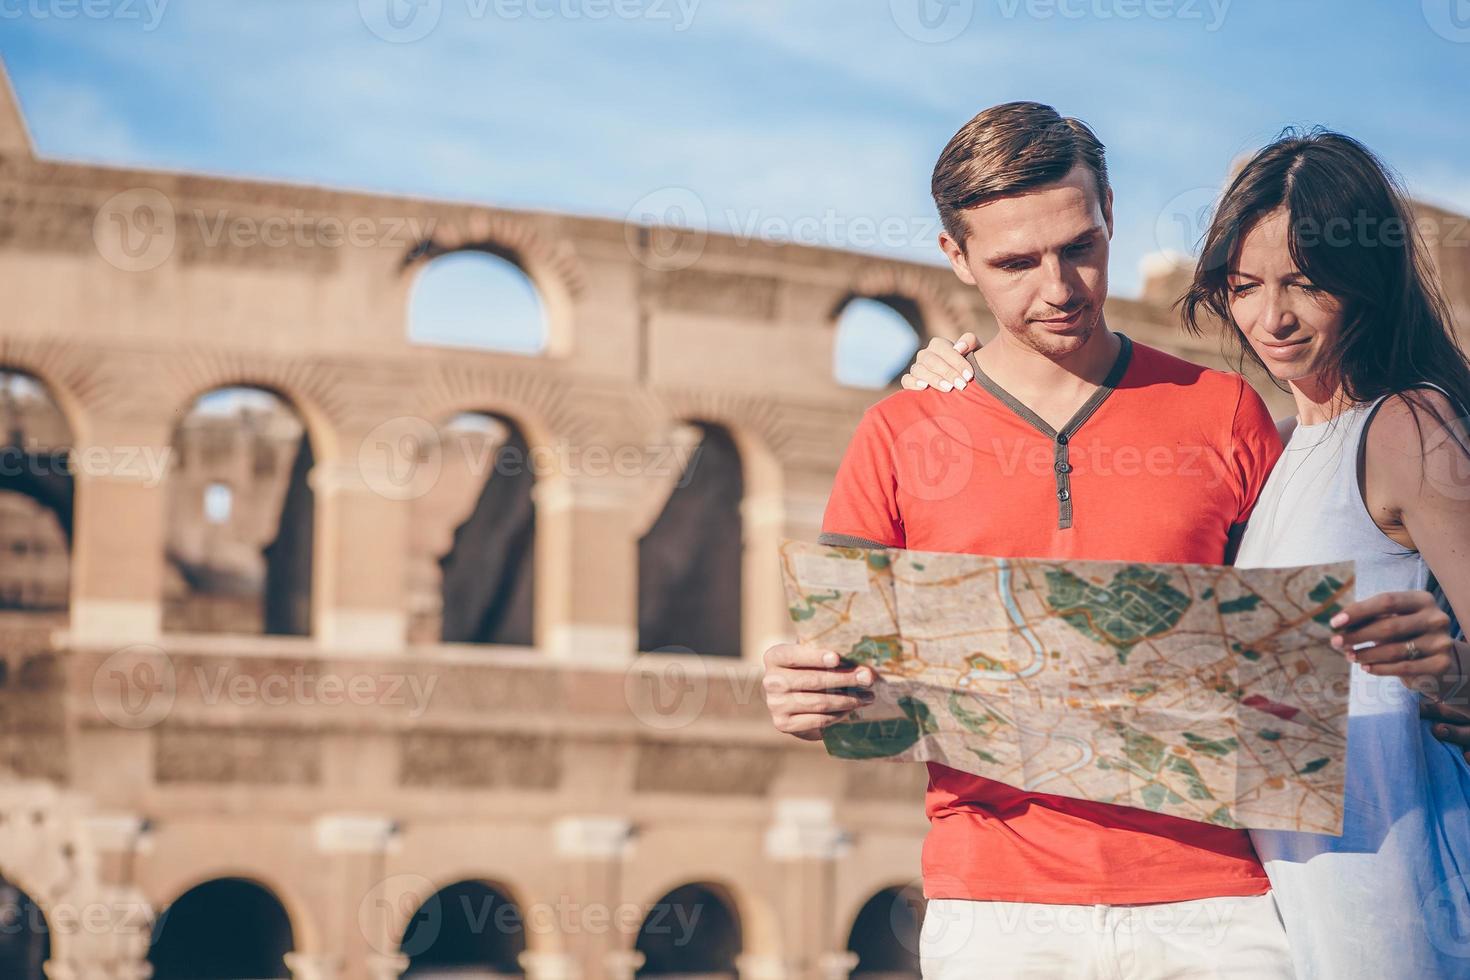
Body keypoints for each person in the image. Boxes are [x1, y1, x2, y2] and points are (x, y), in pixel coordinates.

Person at [894, 129, 1470, 978]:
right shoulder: (1284, 445)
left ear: (1366, 279)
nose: (1272, 318)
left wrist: (1453, 671)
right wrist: (970, 376)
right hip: (1284, 885)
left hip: (1388, 875)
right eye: (1245, 286)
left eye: (1305, 284)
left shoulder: (1410, 427)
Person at [761, 102, 1297, 978]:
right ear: (956, 259)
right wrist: (804, 695)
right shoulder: (899, 436)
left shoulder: (1224, 411)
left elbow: (1287, 671)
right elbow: (851, 684)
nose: (1058, 288)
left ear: (1111, 214)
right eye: (1015, 262)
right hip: (997, 916)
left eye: (1079, 246)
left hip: (1218, 906)